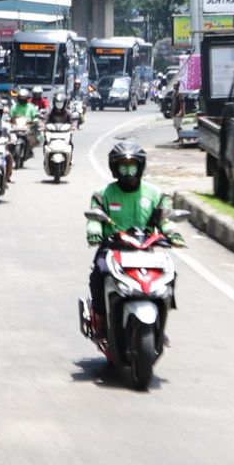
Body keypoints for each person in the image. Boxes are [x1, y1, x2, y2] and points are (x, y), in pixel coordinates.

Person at [86, 141, 185, 334]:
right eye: (123, 166)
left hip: (145, 247)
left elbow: (164, 219)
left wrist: (173, 234)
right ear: (115, 168)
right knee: (99, 273)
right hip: (112, 247)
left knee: (170, 273)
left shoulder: (156, 193)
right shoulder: (102, 194)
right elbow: (94, 217)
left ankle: (161, 319)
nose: (128, 171)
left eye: (132, 166)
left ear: (140, 167)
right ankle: (100, 319)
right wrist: (94, 232)